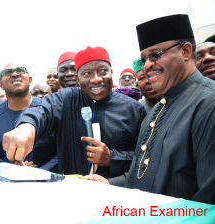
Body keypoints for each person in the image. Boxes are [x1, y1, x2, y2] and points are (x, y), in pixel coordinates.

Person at [86, 14, 215, 205]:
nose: (147, 65)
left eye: (156, 55)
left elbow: (208, 203)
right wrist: (108, 184)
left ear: (186, 51)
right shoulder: (156, 111)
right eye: (144, 58)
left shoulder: (208, 103)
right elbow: (140, 175)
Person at [2, 46, 146, 178]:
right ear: (78, 78)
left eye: (103, 71)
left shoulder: (134, 109)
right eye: (87, 73)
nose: (96, 79)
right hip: (72, 193)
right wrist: (27, 126)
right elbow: (42, 109)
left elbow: (144, 157)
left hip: (117, 194)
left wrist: (111, 158)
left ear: (111, 73)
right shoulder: (66, 99)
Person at [0, 64, 57, 170]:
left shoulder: (50, 111)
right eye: (8, 72)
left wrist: (40, 171)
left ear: (30, 80)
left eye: (21, 71)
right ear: (1, 84)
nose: (15, 74)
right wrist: (14, 170)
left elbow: (64, 149)